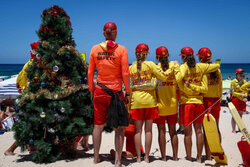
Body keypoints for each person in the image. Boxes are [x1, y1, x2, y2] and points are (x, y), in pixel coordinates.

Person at [88, 22, 130, 167]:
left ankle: (96, 158)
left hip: (100, 91)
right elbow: (125, 73)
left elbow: (90, 72)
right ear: (115, 32)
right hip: (116, 92)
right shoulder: (122, 49)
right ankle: (118, 161)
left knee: (98, 126)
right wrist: (128, 91)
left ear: (103, 33)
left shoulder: (95, 49)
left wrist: (91, 90)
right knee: (119, 129)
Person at [129, 43, 176, 163]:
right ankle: (146, 158)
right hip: (150, 101)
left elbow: (128, 87)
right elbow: (163, 77)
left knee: (137, 131)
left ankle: (138, 158)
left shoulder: (131, 68)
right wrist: (172, 67)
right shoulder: (150, 65)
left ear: (135, 54)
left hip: (136, 102)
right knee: (148, 130)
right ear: (146, 54)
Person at [176, 47, 220, 162]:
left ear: (183, 57)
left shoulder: (183, 67)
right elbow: (216, 68)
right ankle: (200, 158)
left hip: (187, 103)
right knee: (199, 131)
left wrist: (186, 87)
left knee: (187, 133)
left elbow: (178, 79)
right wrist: (214, 63)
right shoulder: (201, 68)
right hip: (200, 102)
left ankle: (189, 158)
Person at [196, 47, 222, 160]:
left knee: (206, 129)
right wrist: (219, 100)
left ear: (201, 58)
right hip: (216, 100)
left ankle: (208, 156)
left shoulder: (202, 70)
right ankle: (217, 151)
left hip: (206, 100)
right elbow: (220, 88)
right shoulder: (218, 70)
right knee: (216, 127)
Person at [153, 46, 179, 161]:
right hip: (173, 105)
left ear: (157, 57)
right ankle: (175, 157)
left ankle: (163, 157)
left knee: (161, 131)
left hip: (161, 105)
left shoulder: (156, 69)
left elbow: (154, 87)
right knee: (173, 131)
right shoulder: (174, 67)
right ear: (168, 56)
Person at [230, 68, 247, 133]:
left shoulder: (244, 81)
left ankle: (240, 128)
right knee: (235, 115)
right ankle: (233, 129)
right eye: (240, 73)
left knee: (240, 115)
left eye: (242, 73)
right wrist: (240, 95)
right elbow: (232, 92)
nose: (241, 74)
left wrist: (246, 96)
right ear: (236, 74)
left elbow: (246, 91)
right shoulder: (233, 82)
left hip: (242, 100)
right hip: (235, 99)